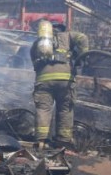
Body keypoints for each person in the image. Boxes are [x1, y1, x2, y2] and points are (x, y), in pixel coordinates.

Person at [29, 20, 89, 149]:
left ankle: (41, 141)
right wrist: (83, 55)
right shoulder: (68, 36)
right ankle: (63, 140)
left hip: (43, 80)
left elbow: (33, 59)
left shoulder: (38, 43)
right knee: (65, 109)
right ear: (62, 28)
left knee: (43, 109)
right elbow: (83, 37)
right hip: (65, 80)